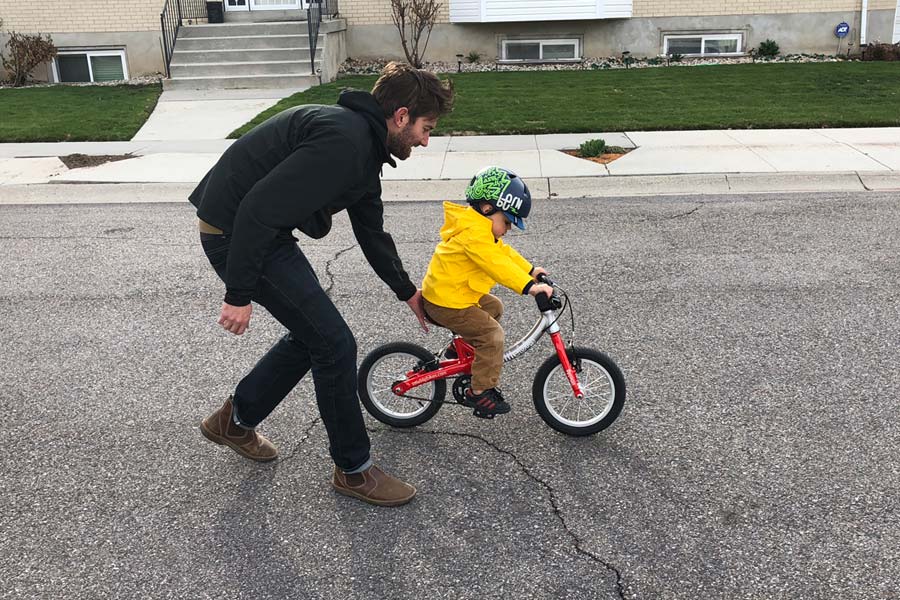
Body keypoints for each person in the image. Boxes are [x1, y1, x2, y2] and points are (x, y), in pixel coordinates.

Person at [191, 62, 453, 507]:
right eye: (426, 129)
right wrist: (238, 294)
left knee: (315, 335)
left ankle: (233, 422)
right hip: (236, 234)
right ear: (402, 116)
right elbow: (255, 208)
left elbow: (371, 231)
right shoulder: (345, 143)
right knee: (334, 344)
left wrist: (408, 291)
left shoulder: (363, 148)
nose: (426, 141)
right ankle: (354, 470)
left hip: (260, 232)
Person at [421, 166, 553, 418]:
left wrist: (531, 270)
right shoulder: (474, 235)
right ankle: (479, 392)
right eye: (507, 221)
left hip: (454, 293)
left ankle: (459, 348)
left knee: (494, 307)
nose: (509, 228)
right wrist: (530, 288)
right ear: (487, 209)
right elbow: (497, 265)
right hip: (446, 302)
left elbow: (503, 253)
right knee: (492, 336)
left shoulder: (480, 229)